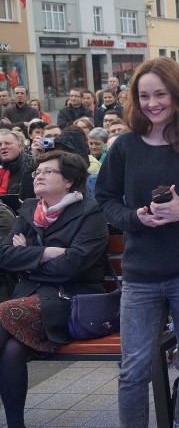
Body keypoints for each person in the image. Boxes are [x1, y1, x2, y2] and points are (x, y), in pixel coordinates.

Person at [95, 57, 179, 428]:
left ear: (177, 94)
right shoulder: (125, 146)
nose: (152, 103)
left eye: (160, 94)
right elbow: (105, 200)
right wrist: (136, 217)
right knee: (133, 369)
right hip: (141, 275)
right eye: (144, 96)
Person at [0, 151, 108, 428]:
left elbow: (71, 267)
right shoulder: (29, 210)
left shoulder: (90, 212)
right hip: (28, 300)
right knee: (11, 350)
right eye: (37, 172)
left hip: (69, 301)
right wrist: (46, 252)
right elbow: (3, 256)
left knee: (3, 313)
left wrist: (26, 259)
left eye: (48, 171)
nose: (39, 176)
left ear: (69, 180)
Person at [0, 129, 34, 200]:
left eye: (7, 143)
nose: (3, 147)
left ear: (20, 146)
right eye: (0, 144)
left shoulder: (31, 167)